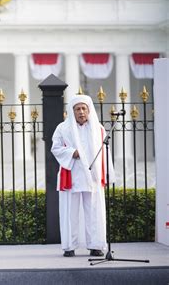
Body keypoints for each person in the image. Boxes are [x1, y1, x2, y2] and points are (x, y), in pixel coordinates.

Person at [51, 94, 115, 257]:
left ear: (89, 110)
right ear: (72, 112)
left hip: (92, 176)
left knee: (94, 211)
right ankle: (69, 247)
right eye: (77, 109)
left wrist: (107, 174)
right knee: (69, 213)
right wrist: (72, 153)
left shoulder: (98, 128)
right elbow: (55, 148)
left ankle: (96, 245)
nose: (81, 112)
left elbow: (105, 153)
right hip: (71, 174)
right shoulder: (62, 128)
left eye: (83, 108)